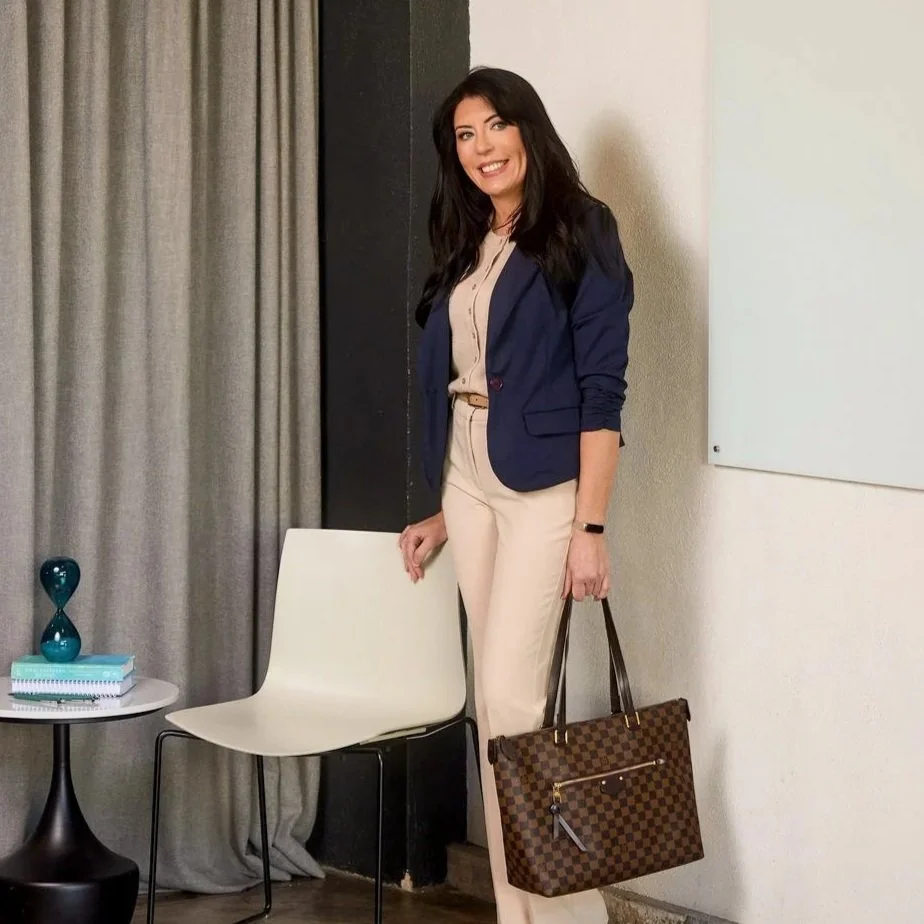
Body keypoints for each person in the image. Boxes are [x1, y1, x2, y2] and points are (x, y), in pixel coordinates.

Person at [398, 67, 633, 924]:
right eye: (465, 136)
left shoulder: (582, 227)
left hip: (543, 491)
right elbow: (470, 378)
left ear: (528, 129)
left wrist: (590, 526)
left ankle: (567, 915)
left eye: (496, 126)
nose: (482, 147)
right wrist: (443, 512)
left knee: (512, 701)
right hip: (467, 482)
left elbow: (602, 393)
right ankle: (521, 912)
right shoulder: (469, 239)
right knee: (496, 714)